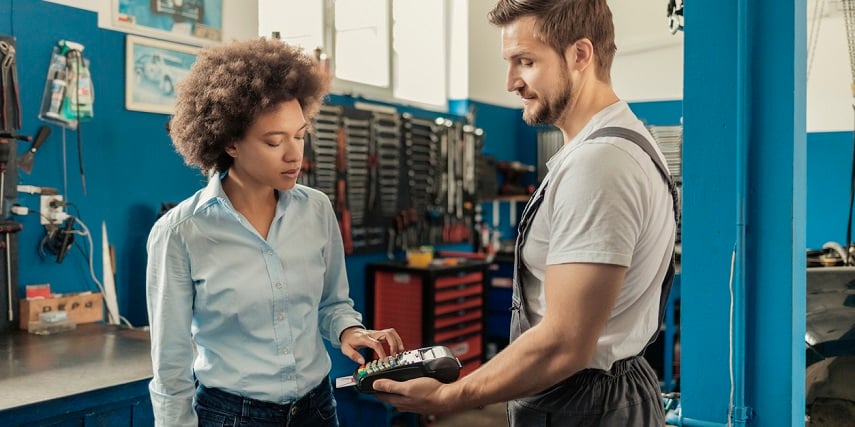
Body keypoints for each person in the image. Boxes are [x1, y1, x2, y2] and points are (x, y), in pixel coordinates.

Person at [374, 0, 677, 425]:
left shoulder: (600, 162)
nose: (511, 82)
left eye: (526, 61)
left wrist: (449, 397)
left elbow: (564, 343)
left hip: (585, 406)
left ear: (579, 55)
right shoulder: (624, 141)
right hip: (598, 392)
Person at [146, 38, 403, 427]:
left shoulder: (316, 209)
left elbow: (332, 305)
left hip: (317, 408)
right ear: (229, 141)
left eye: (300, 135)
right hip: (232, 416)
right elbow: (170, 362)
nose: (294, 155)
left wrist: (349, 331)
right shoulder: (182, 233)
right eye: (273, 141)